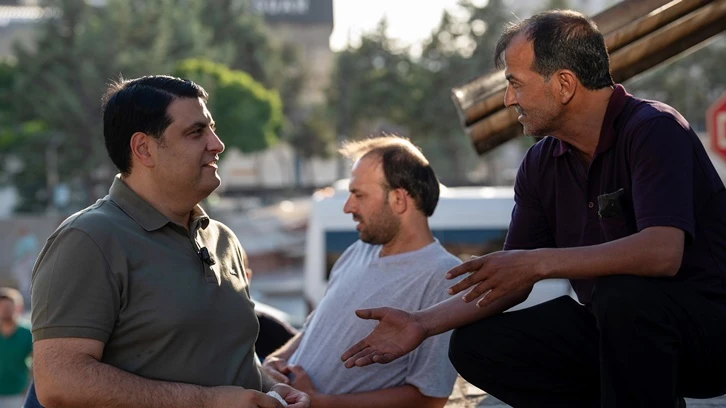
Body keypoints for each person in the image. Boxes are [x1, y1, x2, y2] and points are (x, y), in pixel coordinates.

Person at [341, 10, 726, 408]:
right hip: (618, 334)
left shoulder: (654, 128)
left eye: (515, 84)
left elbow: (663, 252)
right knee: (477, 345)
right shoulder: (540, 163)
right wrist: (420, 323)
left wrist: (538, 262)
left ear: (564, 84)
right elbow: (511, 278)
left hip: (708, 336)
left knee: (621, 292)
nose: (508, 99)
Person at [30, 75, 309, 408]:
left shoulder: (223, 240)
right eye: (196, 132)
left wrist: (271, 388)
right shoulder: (88, 240)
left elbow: (229, 358)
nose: (217, 144)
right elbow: (59, 381)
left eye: (211, 128)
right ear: (143, 149)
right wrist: (206, 402)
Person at [263, 136, 461, 408]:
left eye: (359, 195)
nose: (348, 207)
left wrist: (321, 403)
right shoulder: (359, 250)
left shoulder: (443, 276)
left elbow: (429, 398)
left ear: (398, 199)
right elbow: (314, 328)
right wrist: (277, 359)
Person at [0, 287, 33, 408]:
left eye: (8, 306)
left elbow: (36, 362)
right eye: (2, 307)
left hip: (18, 393)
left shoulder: (28, 332)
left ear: (18, 308)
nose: (5, 310)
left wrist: (30, 389)